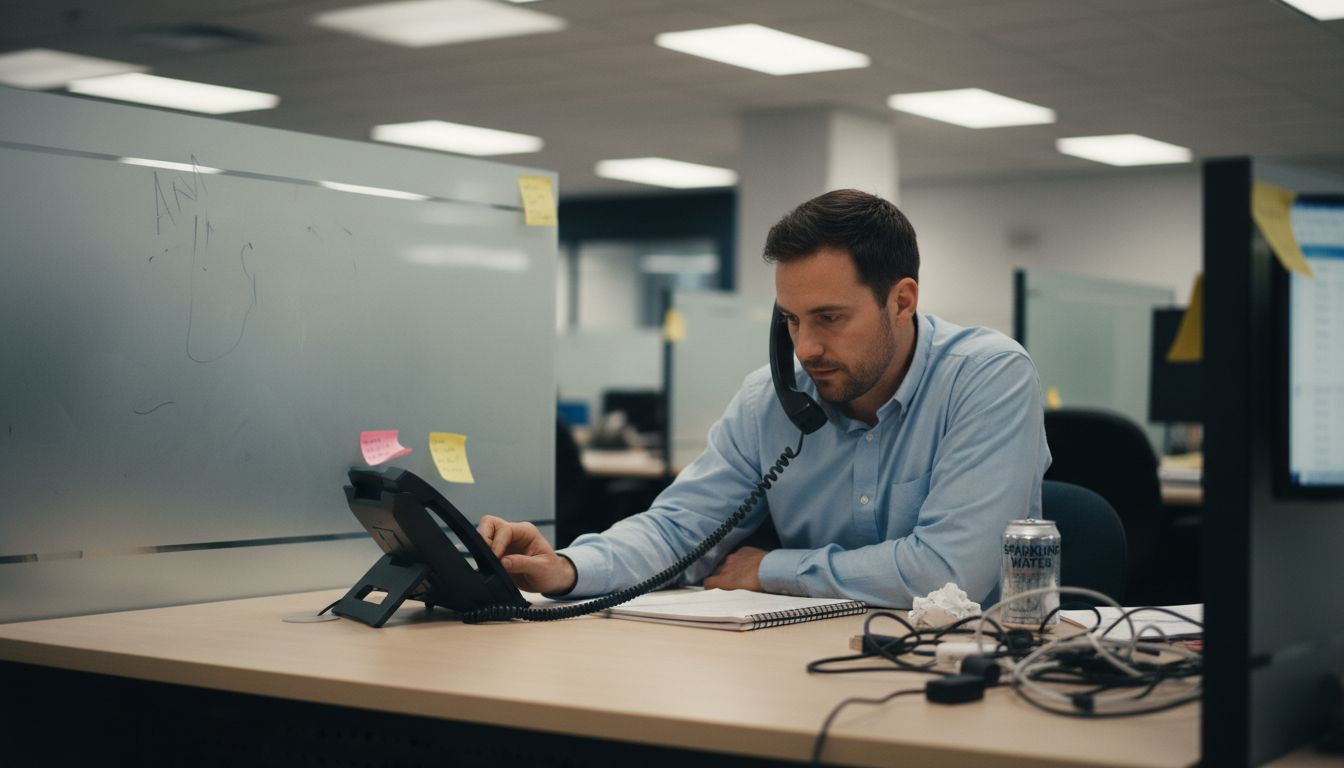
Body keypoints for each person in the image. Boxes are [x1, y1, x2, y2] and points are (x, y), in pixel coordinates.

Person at [480, 189, 1051, 607]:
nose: (805, 348)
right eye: (791, 321)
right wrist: (567, 568)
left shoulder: (986, 377)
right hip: (808, 665)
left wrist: (773, 569)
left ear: (901, 301)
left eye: (829, 318)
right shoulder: (772, 397)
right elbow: (680, 530)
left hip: (962, 664)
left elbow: (948, 571)